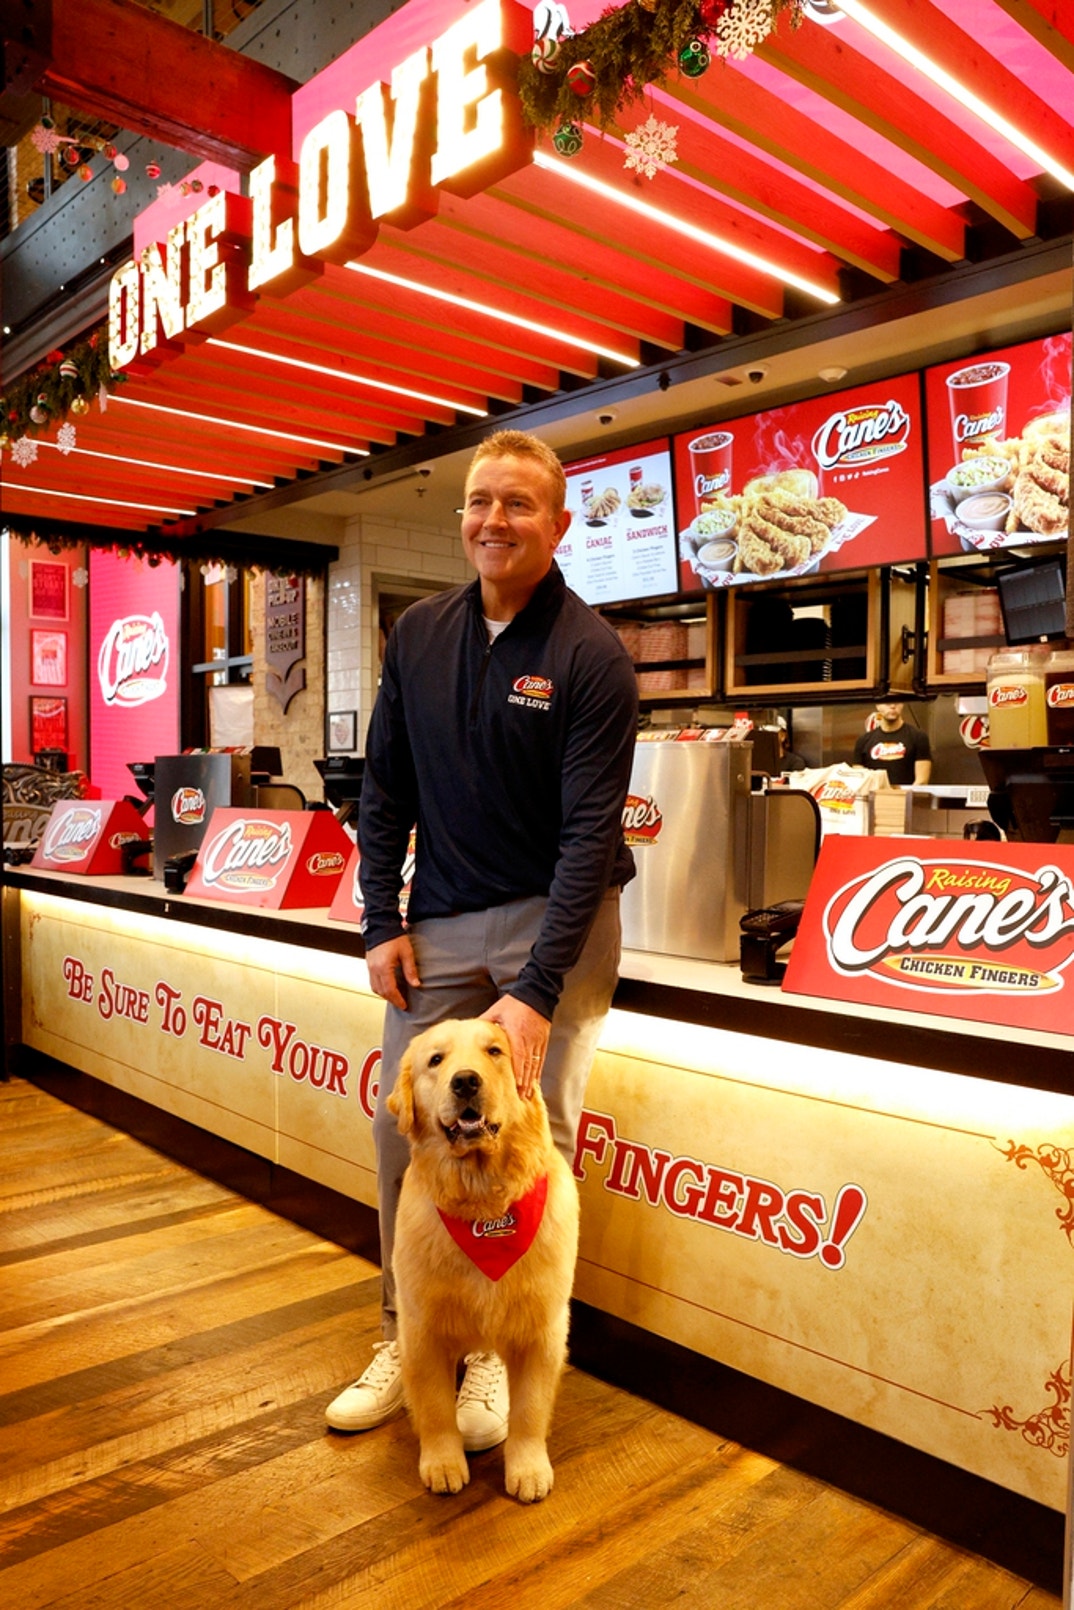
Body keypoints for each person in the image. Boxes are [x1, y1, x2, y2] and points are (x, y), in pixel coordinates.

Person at [325, 428, 638, 1449]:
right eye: (478, 501)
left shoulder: (591, 655)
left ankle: (503, 1362)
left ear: (558, 523)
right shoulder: (417, 633)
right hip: (446, 915)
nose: (493, 521)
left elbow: (592, 833)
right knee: (403, 1130)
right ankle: (408, 1332)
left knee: (531, 1132)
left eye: (516, 504)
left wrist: (539, 988)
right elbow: (386, 789)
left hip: (564, 918)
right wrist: (380, 916)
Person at [852, 700, 931, 786]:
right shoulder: (863, 741)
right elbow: (858, 779)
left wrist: (904, 798)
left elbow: (922, 781)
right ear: (878, 705)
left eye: (897, 702)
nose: (893, 706)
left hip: (906, 797)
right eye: (887, 702)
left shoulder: (918, 737)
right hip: (874, 797)